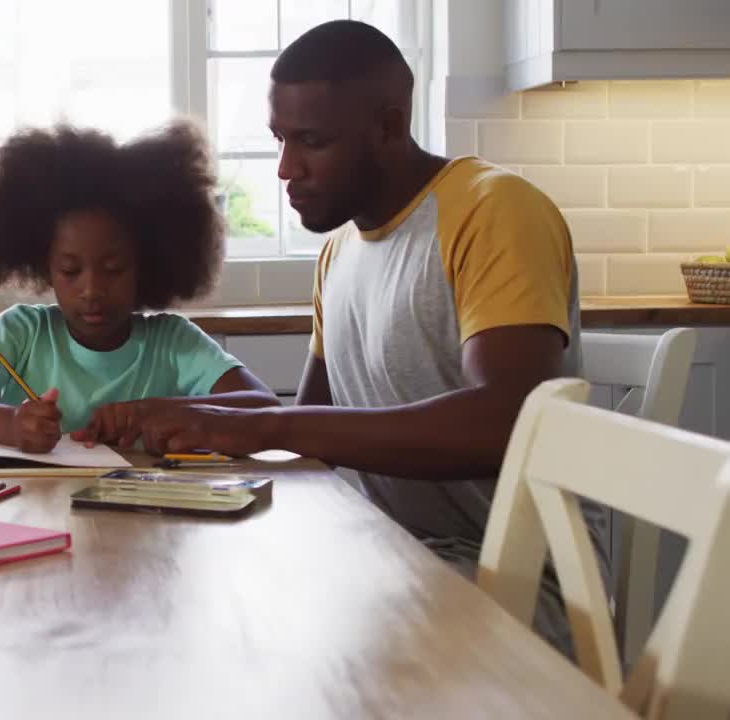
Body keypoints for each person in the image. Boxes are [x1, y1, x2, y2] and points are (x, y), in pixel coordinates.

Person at [134, 21, 593, 648]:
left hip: (515, 585)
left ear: (388, 124)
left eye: (311, 142)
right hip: (397, 555)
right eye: (280, 139)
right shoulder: (340, 251)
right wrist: (179, 418)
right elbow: (314, 421)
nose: (286, 168)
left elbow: (507, 423)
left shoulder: (494, 209)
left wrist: (261, 426)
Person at [0, 120, 275, 452]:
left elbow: (263, 407)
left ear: (145, 265)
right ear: (43, 267)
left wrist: (152, 411)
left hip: (145, 516)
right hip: (34, 512)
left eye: (113, 269)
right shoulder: (22, 332)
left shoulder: (174, 343)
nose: (91, 290)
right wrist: (10, 424)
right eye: (70, 271)